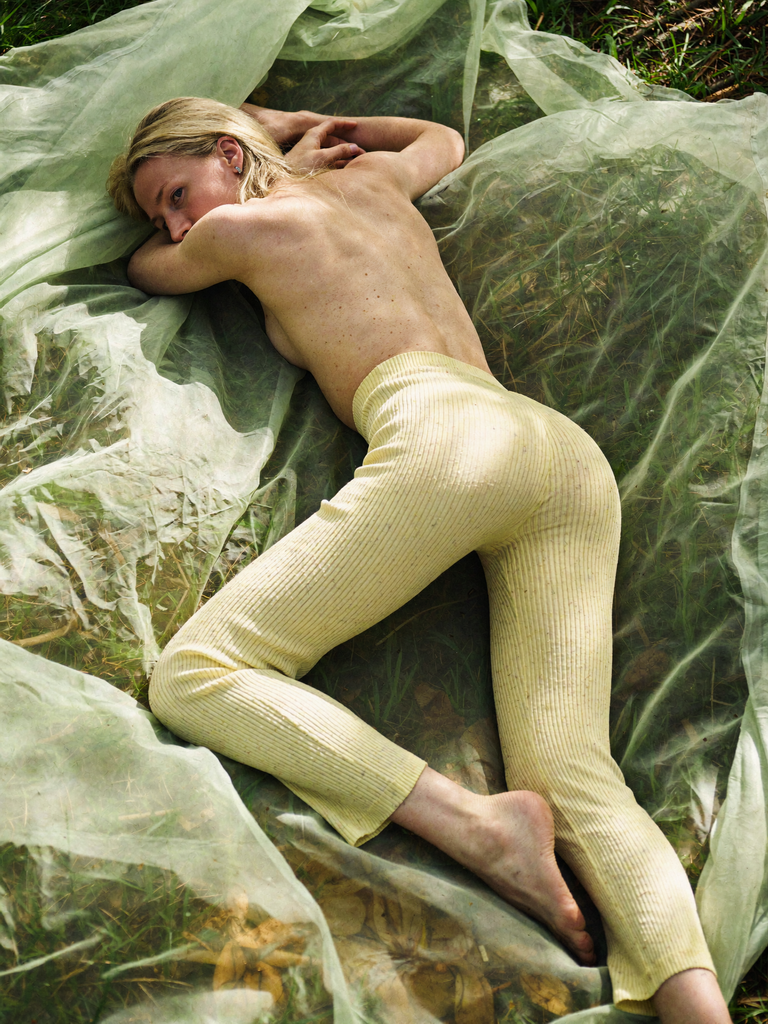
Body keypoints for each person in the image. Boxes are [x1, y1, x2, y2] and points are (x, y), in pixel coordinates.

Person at [108, 96, 731, 1023]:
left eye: (174, 193)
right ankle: (701, 1008)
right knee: (576, 776)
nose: (174, 224)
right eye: (161, 212)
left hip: (446, 439)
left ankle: (476, 825)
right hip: (558, 454)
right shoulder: (371, 180)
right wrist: (313, 123)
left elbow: (145, 271)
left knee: (197, 674)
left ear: (229, 155)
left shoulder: (237, 228)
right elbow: (444, 141)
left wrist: (273, 137)